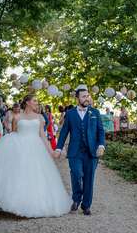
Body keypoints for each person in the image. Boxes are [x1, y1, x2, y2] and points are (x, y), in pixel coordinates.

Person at [0, 95, 72, 217]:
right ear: (27, 102)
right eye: (34, 101)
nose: (37, 103)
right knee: (13, 174)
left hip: (36, 148)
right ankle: (1, 201)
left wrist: (51, 151)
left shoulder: (39, 117)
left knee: (34, 176)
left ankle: (30, 203)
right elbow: (13, 133)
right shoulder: (17, 117)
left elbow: (43, 136)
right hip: (19, 147)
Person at [55, 86, 105, 216]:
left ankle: (86, 205)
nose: (87, 98)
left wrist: (101, 145)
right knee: (76, 174)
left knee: (89, 179)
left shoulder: (95, 112)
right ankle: (76, 199)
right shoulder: (70, 114)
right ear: (77, 98)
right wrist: (59, 148)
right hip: (75, 152)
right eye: (83, 96)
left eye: (87, 96)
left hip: (91, 152)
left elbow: (100, 131)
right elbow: (64, 132)